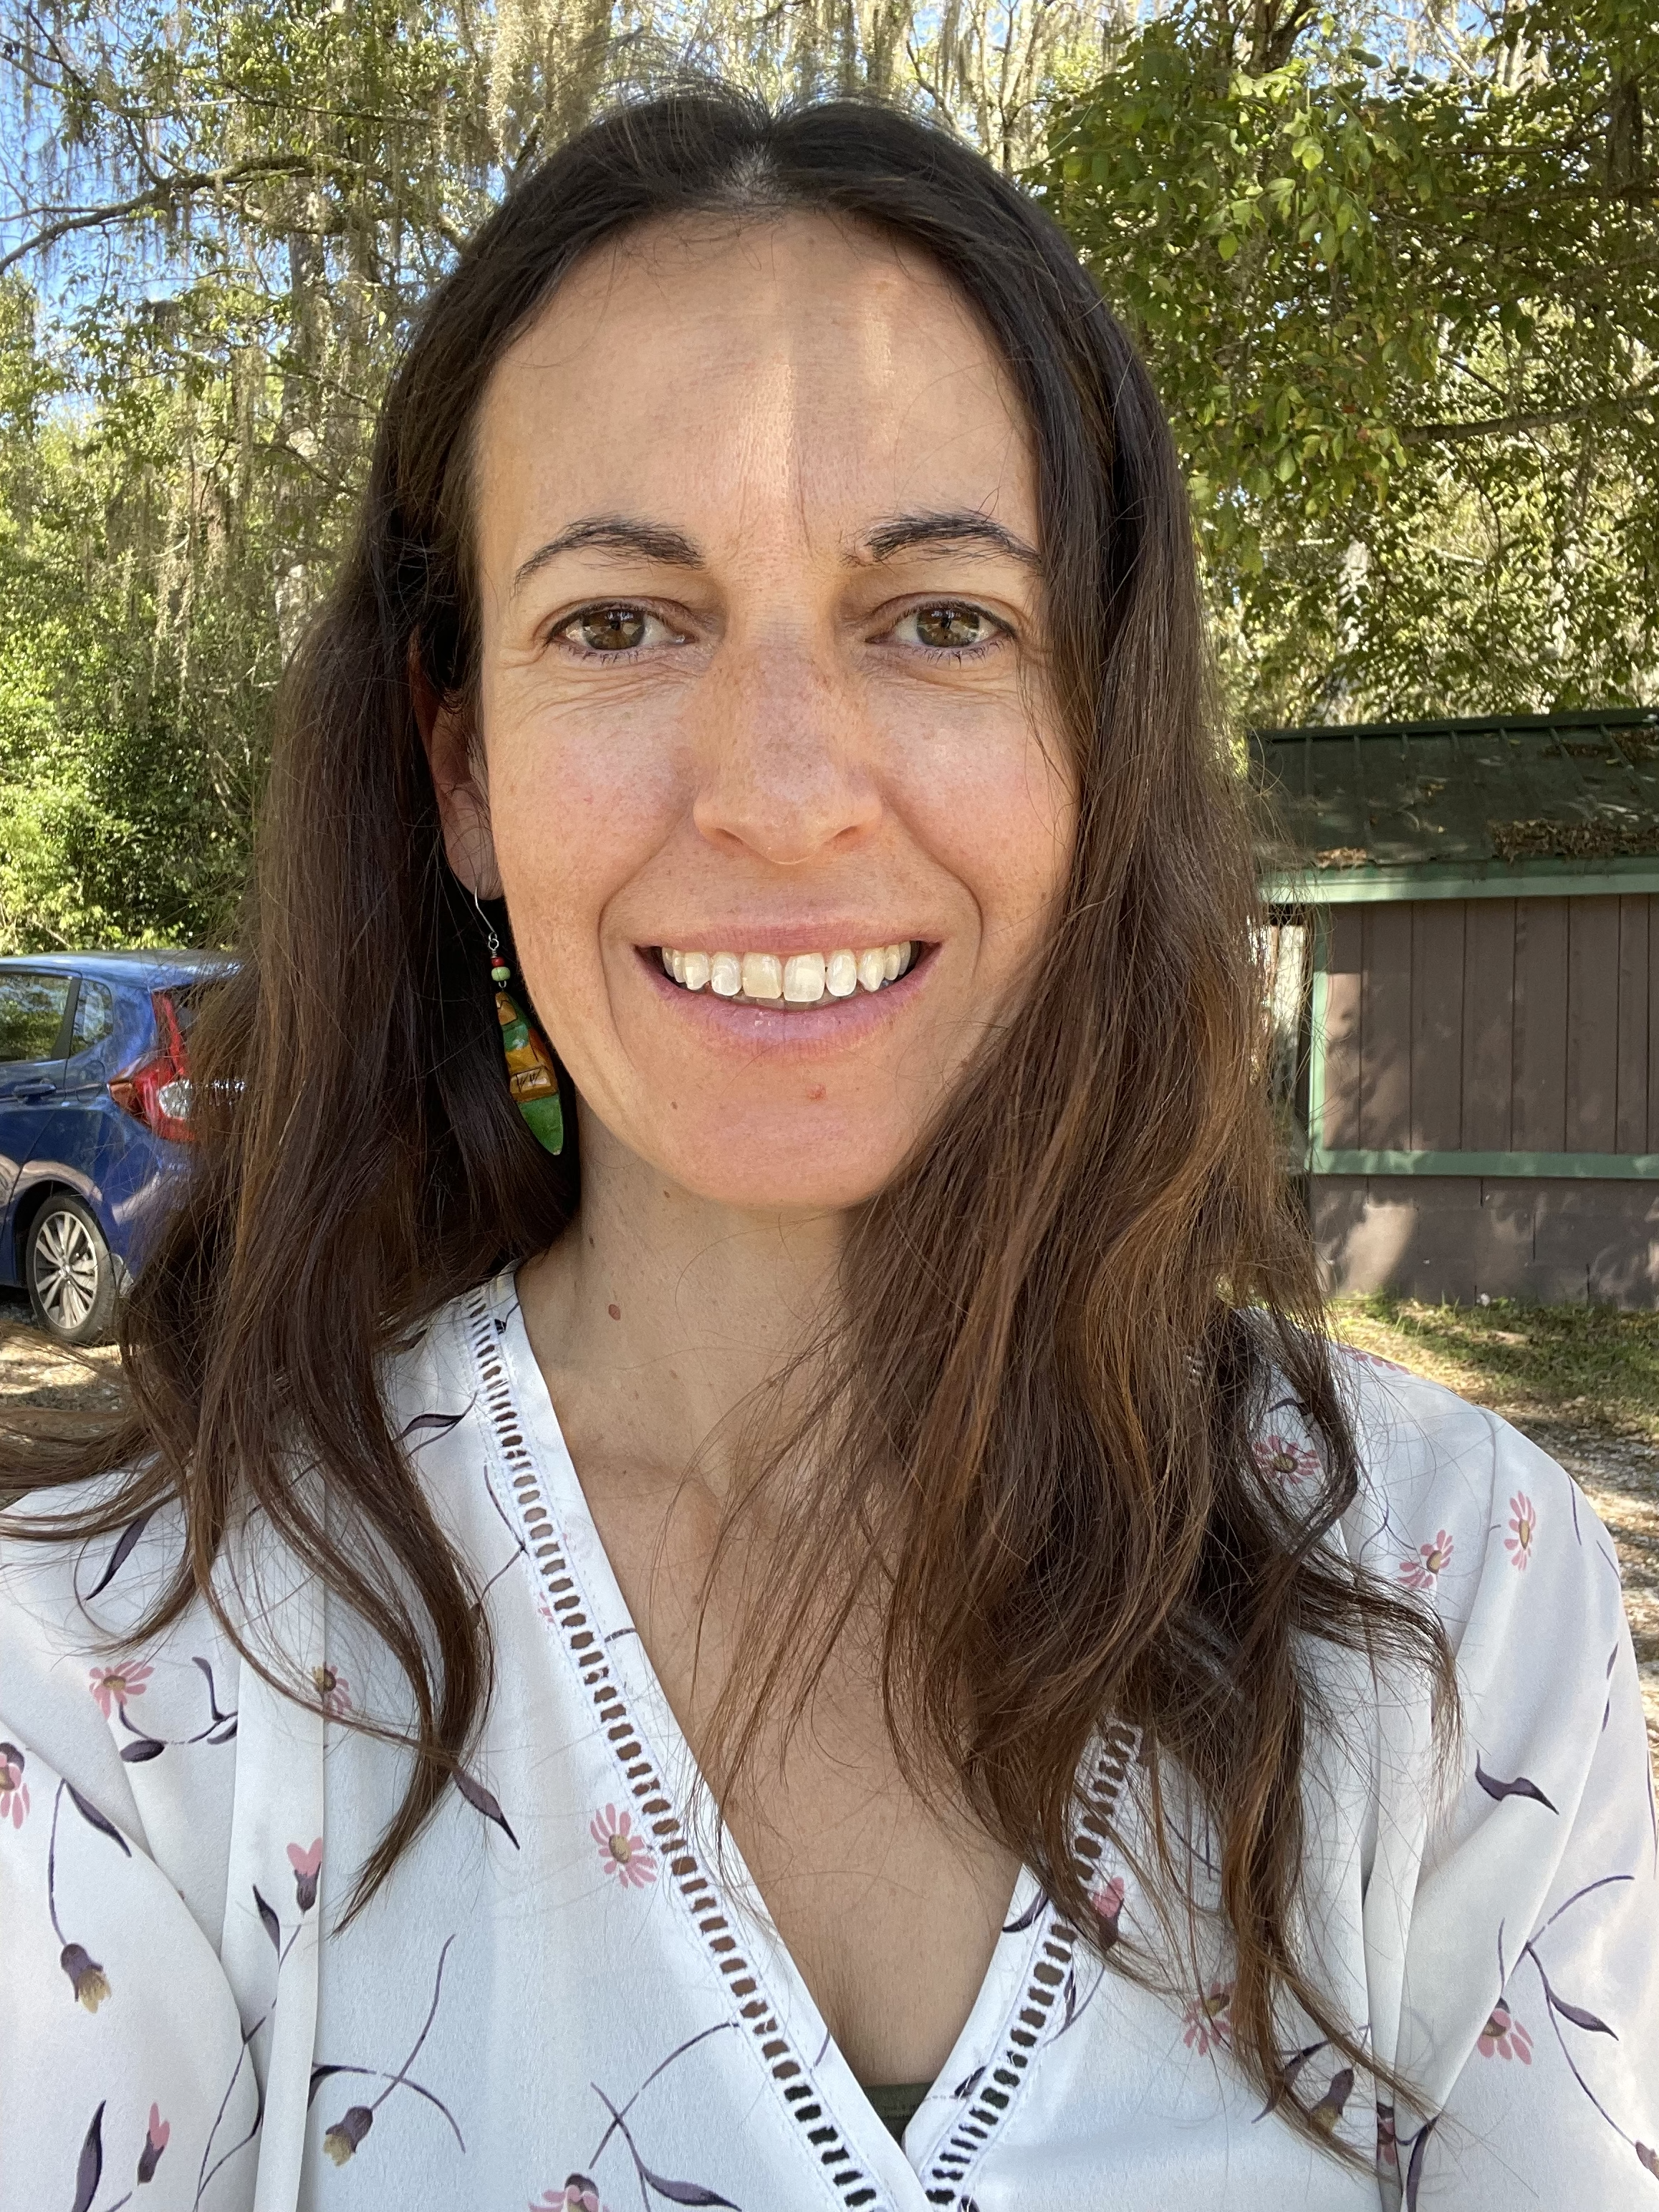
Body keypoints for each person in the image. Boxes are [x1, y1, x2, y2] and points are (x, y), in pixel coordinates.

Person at [1, 90, 1655, 2212]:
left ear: (1095, 732)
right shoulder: (137, 1664)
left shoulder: (1442, 1602)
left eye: (939, 616)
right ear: (460, 768)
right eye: (618, 622)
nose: (783, 793)